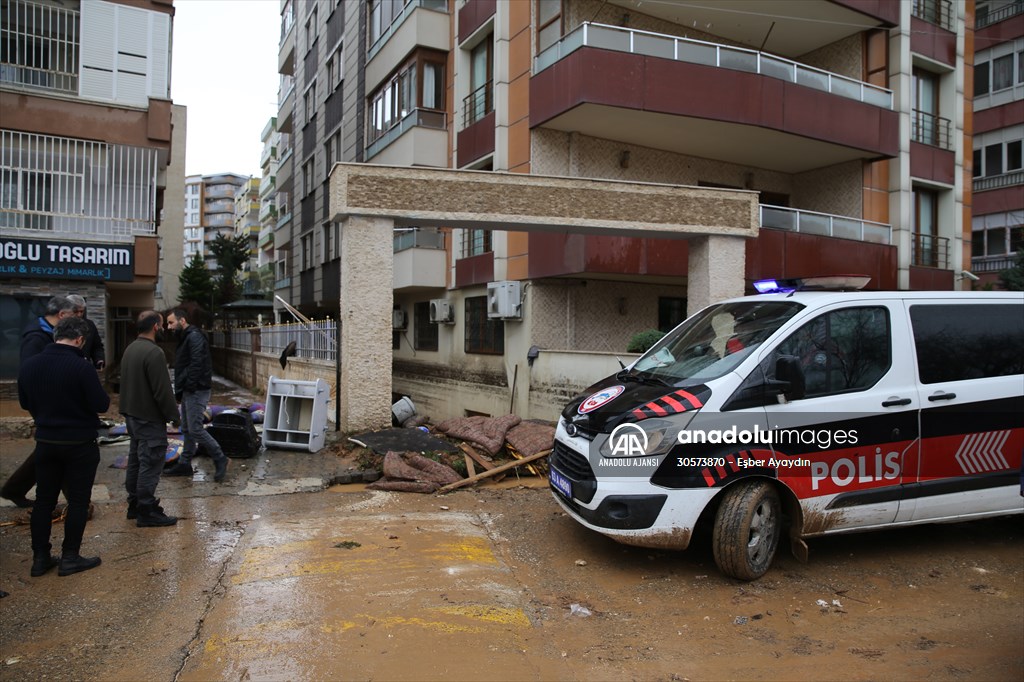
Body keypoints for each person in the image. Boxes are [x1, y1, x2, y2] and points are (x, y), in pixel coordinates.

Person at [18, 316, 110, 577]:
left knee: (44, 501)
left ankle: (40, 558)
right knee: (79, 502)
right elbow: (101, 404)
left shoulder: (30, 366)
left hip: (46, 442)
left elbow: (25, 403)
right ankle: (70, 556)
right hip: (79, 443)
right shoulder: (81, 368)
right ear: (80, 340)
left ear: (55, 335)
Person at [1, 296, 77, 508]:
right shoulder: (36, 338)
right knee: (58, 447)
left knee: (49, 449)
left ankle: (13, 489)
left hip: (51, 400)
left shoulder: (47, 334)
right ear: (62, 315)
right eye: (73, 314)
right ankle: (75, 499)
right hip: (44, 401)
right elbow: (30, 372)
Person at [119, 311, 179, 527]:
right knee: (151, 463)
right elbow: (162, 391)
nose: (163, 329)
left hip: (132, 416)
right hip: (149, 418)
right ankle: (146, 509)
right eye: (162, 325)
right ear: (155, 326)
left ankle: (134, 505)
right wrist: (174, 416)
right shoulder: (154, 353)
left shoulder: (130, 349)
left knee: (135, 460)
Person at [165, 309, 228, 483]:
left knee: (195, 429)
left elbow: (196, 364)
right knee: (186, 428)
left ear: (182, 320)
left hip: (196, 389)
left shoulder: (194, 337)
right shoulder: (186, 337)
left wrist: (190, 387)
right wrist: (181, 391)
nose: (168, 327)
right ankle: (185, 464)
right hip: (189, 389)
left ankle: (220, 457)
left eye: (171, 322)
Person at [66, 294, 106, 370]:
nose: (79, 314)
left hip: (83, 367)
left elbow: (97, 346)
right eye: (75, 311)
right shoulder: (60, 326)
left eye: (81, 311)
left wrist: (99, 359)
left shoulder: (89, 325)